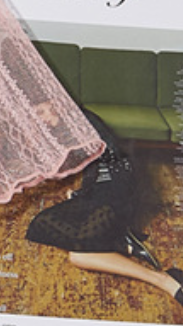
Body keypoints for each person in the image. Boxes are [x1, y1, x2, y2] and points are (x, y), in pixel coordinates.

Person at [26, 109, 183, 308]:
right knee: (41, 222)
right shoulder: (62, 127)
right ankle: (122, 243)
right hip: (99, 188)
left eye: (43, 111)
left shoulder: (78, 120)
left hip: (118, 189)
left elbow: (110, 160)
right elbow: (89, 165)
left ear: (54, 102)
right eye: (38, 116)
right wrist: (83, 192)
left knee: (78, 256)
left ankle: (164, 280)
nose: (43, 118)